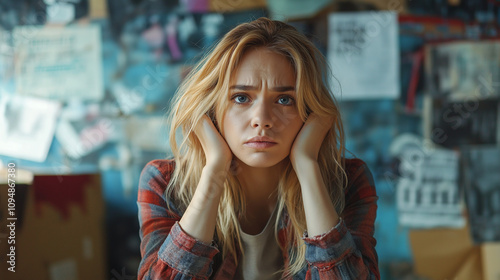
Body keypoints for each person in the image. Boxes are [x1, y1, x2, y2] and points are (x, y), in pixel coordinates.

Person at [137, 17, 379, 280]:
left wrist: (307, 166)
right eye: (241, 98)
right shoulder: (164, 181)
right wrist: (214, 171)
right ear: (211, 110)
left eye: (285, 100)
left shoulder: (348, 181)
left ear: (310, 113)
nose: (262, 118)